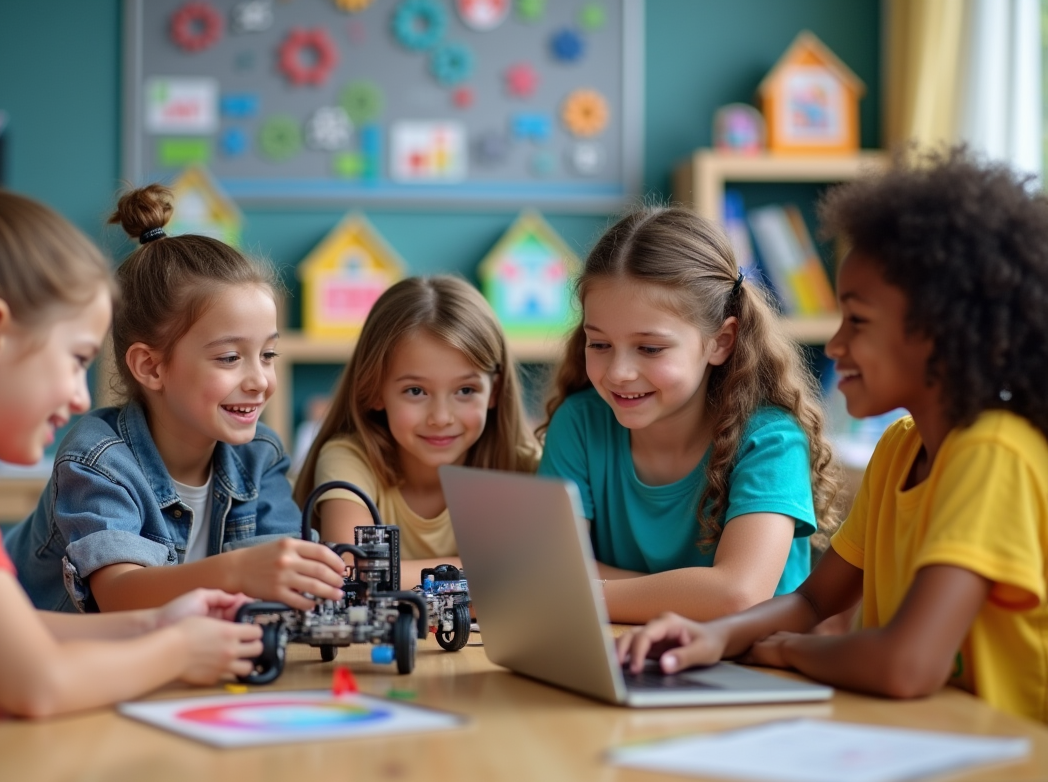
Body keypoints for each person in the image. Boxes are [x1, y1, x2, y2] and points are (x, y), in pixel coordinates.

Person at [0, 170, 264, 782]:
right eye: (74, 359)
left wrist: (157, 625)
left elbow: (20, 626)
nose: (78, 396)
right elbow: (33, 682)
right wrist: (178, 651)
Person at [617, 149, 1048, 723]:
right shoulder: (900, 446)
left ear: (946, 330)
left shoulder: (992, 453)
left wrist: (788, 651)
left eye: (859, 321)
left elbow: (907, 665)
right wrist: (714, 637)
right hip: (923, 739)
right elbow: (813, 599)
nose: (837, 344)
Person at [4, 184, 345, 613]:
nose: (260, 380)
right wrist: (238, 571)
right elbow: (120, 595)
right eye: (229, 357)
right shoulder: (98, 460)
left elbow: (281, 579)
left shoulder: (260, 455)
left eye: (269, 354)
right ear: (151, 367)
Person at [539, 206, 840, 624]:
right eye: (600, 344)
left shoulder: (771, 440)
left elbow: (738, 595)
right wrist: (692, 594)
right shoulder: (580, 423)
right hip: (627, 655)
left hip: (756, 675)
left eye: (650, 348)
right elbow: (549, 570)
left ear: (720, 342)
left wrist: (572, 590)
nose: (618, 373)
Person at [294, 276, 540, 588]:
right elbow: (353, 573)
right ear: (375, 390)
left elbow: (553, 574)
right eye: (415, 391)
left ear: (495, 391)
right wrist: (495, 572)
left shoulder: (524, 467)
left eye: (465, 390)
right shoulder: (349, 458)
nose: (440, 417)